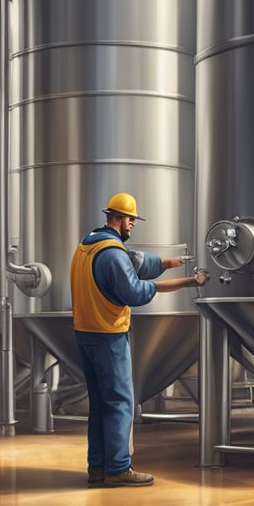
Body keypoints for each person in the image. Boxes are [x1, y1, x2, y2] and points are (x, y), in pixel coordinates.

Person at [70, 192, 207, 487]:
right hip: (108, 335)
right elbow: (135, 291)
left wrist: (176, 261)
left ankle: (97, 467)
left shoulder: (89, 244)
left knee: (99, 404)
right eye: (131, 220)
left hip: (84, 334)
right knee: (120, 402)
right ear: (120, 219)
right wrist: (188, 282)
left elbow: (139, 262)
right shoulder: (114, 254)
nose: (133, 225)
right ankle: (118, 468)